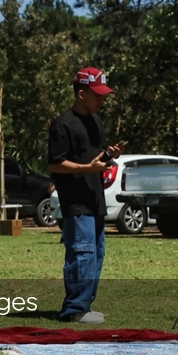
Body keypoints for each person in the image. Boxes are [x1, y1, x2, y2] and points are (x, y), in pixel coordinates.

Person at [48, 67, 122, 324]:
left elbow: (96, 158)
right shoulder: (63, 124)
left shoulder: (96, 122)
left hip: (96, 199)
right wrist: (87, 168)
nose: (102, 99)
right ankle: (74, 309)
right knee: (82, 253)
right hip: (76, 201)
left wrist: (110, 155)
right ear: (81, 94)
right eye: (97, 95)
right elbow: (56, 164)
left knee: (97, 253)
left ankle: (86, 305)